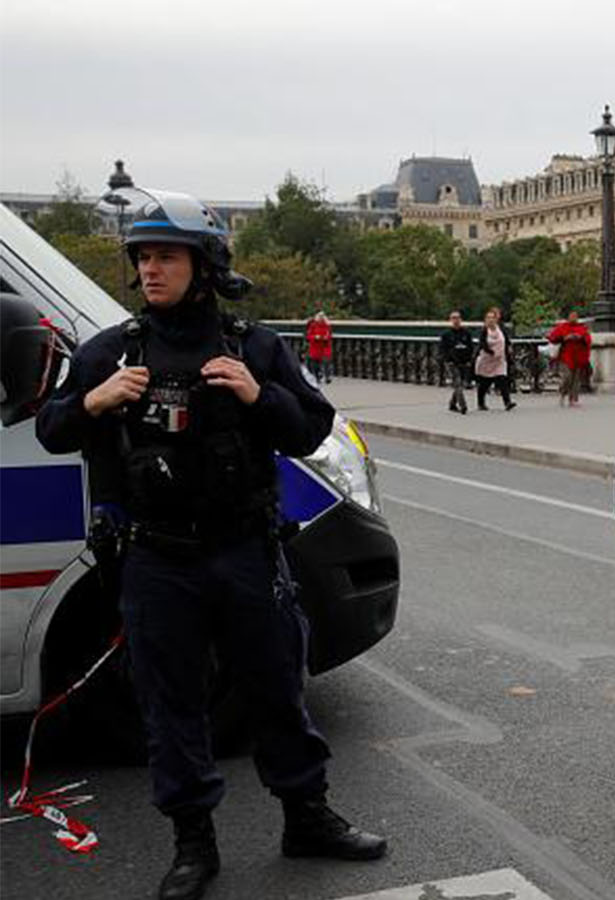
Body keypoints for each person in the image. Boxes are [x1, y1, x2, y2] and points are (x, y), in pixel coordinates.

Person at [34, 188, 384, 900]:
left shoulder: (253, 347)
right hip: (157, 558)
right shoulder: (111, 352)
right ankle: (194, 843)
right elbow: (52, 428)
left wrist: (260, 395)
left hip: (247, 551)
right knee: (170, 703)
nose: (151, 269)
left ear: (205, 262)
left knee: (279, 688)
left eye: (166, 255)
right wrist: (92, 403)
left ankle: (306, 816)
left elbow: (312, 428)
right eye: (143, 257)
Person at [546, 309, 593, 408]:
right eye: (572, 316)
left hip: (579, 357)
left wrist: (579, 338)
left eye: (575, 316)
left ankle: (573, 399)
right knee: (567, 376)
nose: (573, 318)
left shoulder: (581, 328)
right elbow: (552, 338)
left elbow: (587, 340)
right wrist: (565, 338)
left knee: (576, 379)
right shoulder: (563, 327)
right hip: (566, 356)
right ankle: (563, 393)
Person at [474, 306, 516, 411]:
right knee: (485, 382)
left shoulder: (501, 329)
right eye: (489, 318)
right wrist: (490, 351)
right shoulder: (484, 331)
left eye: (493, 317)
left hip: (499, 360)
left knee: (502, 380)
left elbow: (506, 340)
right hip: (487, 360)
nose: (491, 320)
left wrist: (509, 349)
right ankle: (481, 402)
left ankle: (507, 402)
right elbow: (482, 344)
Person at [438, 310, 476, 414]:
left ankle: (452, 404)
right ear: (450, 320)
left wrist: (469, 359)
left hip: (464, 361)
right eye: (454, 318)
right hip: (452, 362)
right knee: (457, 383)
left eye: (458, 318)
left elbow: (471, 347)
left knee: (461, 383)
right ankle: (463, 405)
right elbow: (442, 349)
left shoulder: (466, 333)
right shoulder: (446, 334)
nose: (456, 320)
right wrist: (447, 360)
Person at [303, 310, 332, 384]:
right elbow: (308, 336)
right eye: (320, 316)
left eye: (322, 316)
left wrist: (325, 338)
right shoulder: (313, 325)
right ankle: (317, 376)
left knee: (326, 361)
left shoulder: (327, 325)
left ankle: (327, 376)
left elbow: (329, 335)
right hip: (315, 346)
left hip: (324, 346)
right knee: (315, 363)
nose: (321, 318)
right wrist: (315, 337)